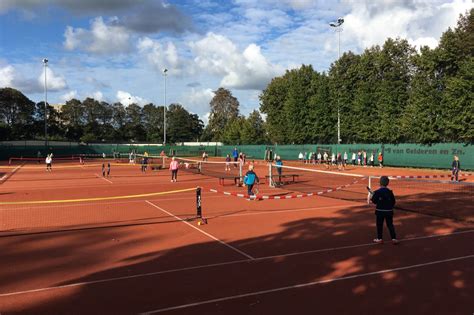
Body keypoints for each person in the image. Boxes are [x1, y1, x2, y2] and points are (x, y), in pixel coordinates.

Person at [369, 176, 398, 244]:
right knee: (390, 225)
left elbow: (374, 201)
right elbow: (393, 202)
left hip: (380, 211)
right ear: (387, 183)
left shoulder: (377, 192)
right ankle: (394, 238)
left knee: (379, 225)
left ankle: (379, 238)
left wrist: (372, 197)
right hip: (389, 212)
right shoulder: (390, 192)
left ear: (380, 183)